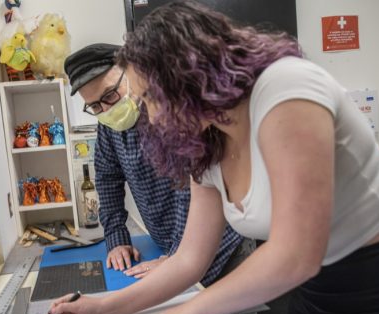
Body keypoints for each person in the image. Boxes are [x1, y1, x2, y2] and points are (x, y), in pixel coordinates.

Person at [46, 2, 379, 314]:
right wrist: (104, 309)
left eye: (151, 99)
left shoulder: (285, 88)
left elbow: (295, 255)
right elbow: (189, 260)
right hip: (315, 296)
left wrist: (191, 310)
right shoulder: (205, 142)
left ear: (187, 75)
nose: (154, 117)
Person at [64, 43, 247, 287]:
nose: (106, 110)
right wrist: (116, 238)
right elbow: (108, 177)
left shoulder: (170, 112)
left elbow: (190, 189)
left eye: (110, 95)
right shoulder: (109, 125)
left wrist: (178, 257)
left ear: (130, 73)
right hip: (171, 248)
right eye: (95, 106)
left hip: (223, 248)